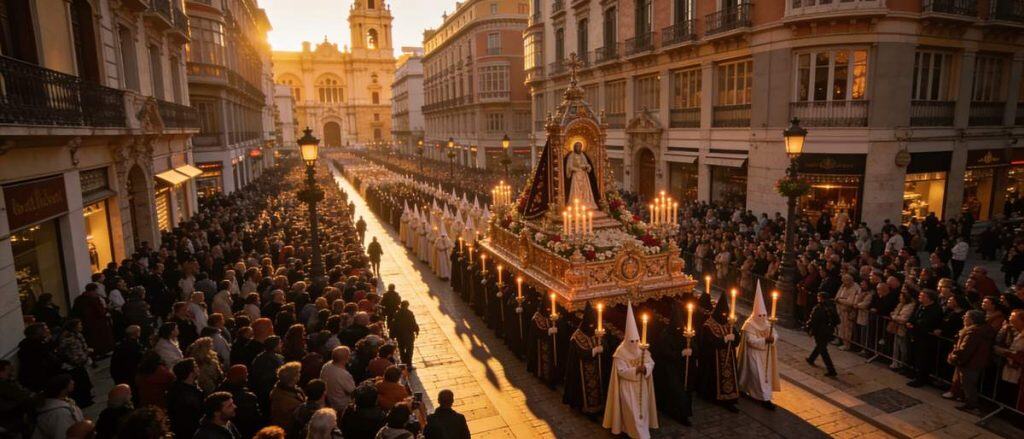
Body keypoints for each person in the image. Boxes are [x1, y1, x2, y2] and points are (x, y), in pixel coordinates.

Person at [602, 302, 657, 439]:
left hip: (641, 385)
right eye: (631, 341)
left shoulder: (641, 348)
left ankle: (642, 432)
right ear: (627, 340)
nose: (634, 343)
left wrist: (645, 368)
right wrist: (635, 370)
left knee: (642, 411)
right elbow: (621, 371)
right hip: (628, 386)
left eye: (636, 340)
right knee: (631, 411)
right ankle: (635, 433)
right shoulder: (621, 352)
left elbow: (651, 362)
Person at [737, 283, 781, 409]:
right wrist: (764, 340)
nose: (762, 318)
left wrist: (772, 338)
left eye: (764, 315)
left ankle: (765, 397)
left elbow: (775, 333)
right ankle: (763, 398)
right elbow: (750, 341)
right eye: (760, 315)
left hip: (764, 353)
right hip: (753, 354)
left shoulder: (766, 322)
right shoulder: (749, 324)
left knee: (764, 377)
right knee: (758, 376)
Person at [696, 295, 740, 412]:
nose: (724, 316)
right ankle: (714, 397)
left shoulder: (728, 324)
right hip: (714, 361)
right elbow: (708, 342)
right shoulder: (708, 325)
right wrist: (724, 340)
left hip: (728, 358)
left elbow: (737, 339)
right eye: (723, 314)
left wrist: (734, 337)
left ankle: (730, 398)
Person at [563, 302, 606, 417]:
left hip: (595, 369)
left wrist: (602, 346)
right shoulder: (577, 337)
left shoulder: (597, 333)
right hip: (580, 372)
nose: (592, 327)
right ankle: (584, 407)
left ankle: (599, 406)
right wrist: (594, 351)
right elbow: (580, 353)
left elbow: (603, 345)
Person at [947, 310, 996, 412]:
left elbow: (965, 350)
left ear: (972, 319)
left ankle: (971, 404)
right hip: (975, 362)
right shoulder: (982, 330)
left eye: (966, 316)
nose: (963, 318)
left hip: (970, 363)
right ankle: (969, 402)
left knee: (968, 384)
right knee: (969, 383)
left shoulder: (973, 333)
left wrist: (954, 357)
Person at [907, 289, 944, 387]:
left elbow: (928, 322)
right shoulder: (920, 306)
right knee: (916, 357)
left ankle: (921, 379)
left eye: (922, 296)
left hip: (926, 339)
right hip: (916, 335)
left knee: (923, 360)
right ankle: (915, 374)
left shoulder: (936, 309)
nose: (920, 297)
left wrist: (914, 325)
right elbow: (914, 316)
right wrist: (910, 322)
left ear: (930, 299)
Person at [31, 375, 84, 439]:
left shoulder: (63, 402)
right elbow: (64, 435)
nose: (73, 382)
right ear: (62, 389)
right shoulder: (59, 413)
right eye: (70, 382)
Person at [217, 365, 262, 439]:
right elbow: (254, 419)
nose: (247, 374)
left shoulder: (219, 391)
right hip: (245, 431)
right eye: (246, 373)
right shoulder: (248, 397)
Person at [166, 359, 203, 439]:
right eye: (195, 366)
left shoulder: (175, 389)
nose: (198, 368)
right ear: (190, 372)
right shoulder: (186, 395)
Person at [805, 292, 839, 377]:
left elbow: (814, 320)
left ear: (821, 298)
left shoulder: (819, 308)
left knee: (823, 350)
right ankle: (811, 358)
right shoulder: (832, 307)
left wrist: (810, 329)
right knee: (820, 345)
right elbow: (837, 320)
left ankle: (831, 370)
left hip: (820, 331)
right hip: (829, 331)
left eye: (818, 297)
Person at [17, 323, 58, 392]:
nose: (48, 331)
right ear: (39, 333)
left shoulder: (35, 344)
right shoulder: (35, 346)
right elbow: (48, 358)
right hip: (37, 378)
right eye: (46, 329)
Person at [0, 359, 34, 438]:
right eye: (8, 370)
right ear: (1, 372)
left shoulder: (7, 382)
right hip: (8, 420)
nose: (11, 372)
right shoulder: (3, 385)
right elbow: (22, 397)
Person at [320, 346, 356, 416]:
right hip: (341, 406)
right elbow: (353, 392)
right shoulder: (343, 374)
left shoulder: (326, 366)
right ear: (347, 358)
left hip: (329, 400)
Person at [269, 362, 306, 428]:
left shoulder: (293, 389)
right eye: (298, 373)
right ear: (293, 377)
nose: (300, 374)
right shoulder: (282, 398)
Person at [390, 301, 419, 368]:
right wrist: (416, 330)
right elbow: (413, 323)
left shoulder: (397, 313)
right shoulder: (409, 313)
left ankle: (403, 363)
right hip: (409, 334)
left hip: (399, 335)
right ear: (407, 306)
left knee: (401, 348)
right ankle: (409, 364)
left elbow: (394, 325)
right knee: (409, 349)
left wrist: (392, 335)